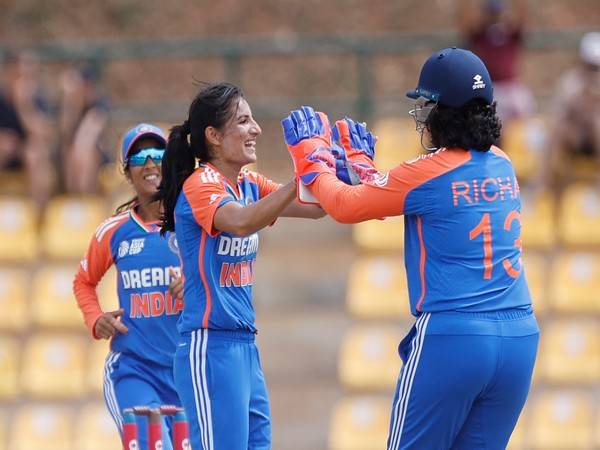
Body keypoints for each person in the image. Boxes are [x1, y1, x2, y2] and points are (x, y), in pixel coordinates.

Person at [283, 48, 539, 450]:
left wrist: (313, 160)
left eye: (427, 105)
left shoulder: (427, 172)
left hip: (454, 337)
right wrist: (364, 170)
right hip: (520, 337)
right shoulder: (503, 163)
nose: (422, 115)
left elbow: (346, 206)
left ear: (443, 112)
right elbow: (410, 194)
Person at [156, 81, 324, 450]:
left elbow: (317, 209)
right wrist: (302, 176)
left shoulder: (248, 183)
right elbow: (243, 221)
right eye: (244, 121)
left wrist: (338, 167)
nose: (256, 129)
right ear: (213, 135)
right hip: (210, 346)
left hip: (245, 347)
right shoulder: (201, 184)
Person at [73, 123, 183, 450]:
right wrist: (95, 318)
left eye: (158, 154)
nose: (150, 164)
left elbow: (222, 270)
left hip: (188, 374)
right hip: (136, 373)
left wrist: (196, 283)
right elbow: (83, 281)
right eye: (139, 157)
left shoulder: (192, 222)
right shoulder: (115, 231)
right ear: (127, 173)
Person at [458, 0, 535, 124]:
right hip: (489, 88)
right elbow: (465, 23)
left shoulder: (509, 33)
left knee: (526, 113)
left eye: (497, 12)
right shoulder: (480, 34)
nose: (494, 15)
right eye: (491, 12)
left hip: (511, 86)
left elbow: (523, 18)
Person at [543, 31, 600, 190]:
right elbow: (559, 114)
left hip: (596, 135)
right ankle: (546, 184)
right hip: (576, 136)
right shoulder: (571, 82)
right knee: (558, 131)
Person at [0, 49, 54, 208]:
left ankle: (38, 215)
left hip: (28, 152)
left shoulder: (36, 99)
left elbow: (43, 134)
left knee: (35, 153)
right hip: (5, 149)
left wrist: (23, 106)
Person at [59, 64, 109, 193]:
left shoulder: (99, 104)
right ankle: (73, 196)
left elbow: (88, 136)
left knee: (86, 153)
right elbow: (65, 133)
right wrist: (71, 103)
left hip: (94, 152)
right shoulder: (72, 105)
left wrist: (78, 149)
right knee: (69, 152)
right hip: (71, 153)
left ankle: (85, 197)